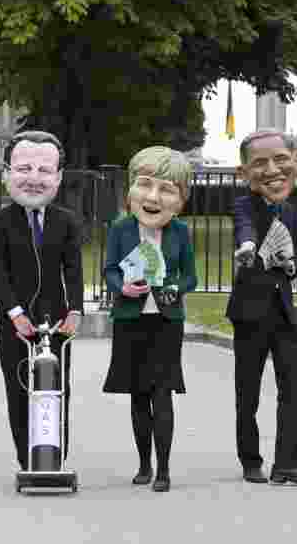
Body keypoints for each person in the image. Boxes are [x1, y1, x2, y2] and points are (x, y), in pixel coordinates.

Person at [226, 129, 297, 486]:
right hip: (249, 313)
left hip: (283, 312)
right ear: (244, 173)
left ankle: (288, 463)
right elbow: (245, 229)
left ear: (295, 161)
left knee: (294, 387)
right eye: (260, 163)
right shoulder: (243, 204)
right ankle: (251, 461)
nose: (272, 170)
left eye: (281, 160)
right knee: (247, 391)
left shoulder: (291, 211)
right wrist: (248, 247)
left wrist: (292, 263)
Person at [0, 130, 82, 472]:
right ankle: (27, 456)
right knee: (19, 388)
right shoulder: (1, 220)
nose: (34, 179)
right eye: (24, 168)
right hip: (14, 323)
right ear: (7, 173)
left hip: (55, 323)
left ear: (58, 178)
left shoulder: (66, 221)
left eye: (44, 171)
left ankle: (55, 455)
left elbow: (73, 269)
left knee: (58, 389)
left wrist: (74, 311)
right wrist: (14, 313)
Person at [102, 146, 197, 493]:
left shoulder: (180, 232)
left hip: (166, 323)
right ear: (131, 191)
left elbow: (192, 277)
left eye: (167, 189)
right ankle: (143, 465)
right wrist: (121, 288)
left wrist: (174, 286)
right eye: (145, 184)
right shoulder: (121, 229)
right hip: (130, 321)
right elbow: (110, 269)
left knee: (162, 395)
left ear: (180, 199)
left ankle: (164, 470)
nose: (154, 197)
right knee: (138, 396)